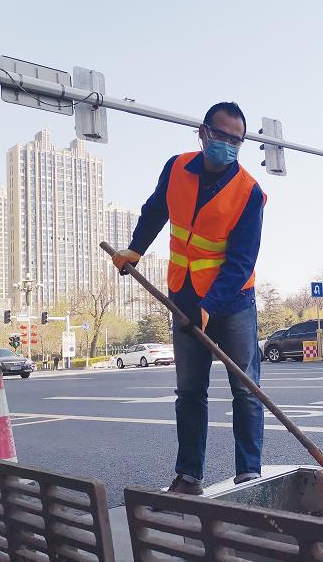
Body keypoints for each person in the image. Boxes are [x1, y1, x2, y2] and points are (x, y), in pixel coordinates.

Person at [112, 102, 266, 495]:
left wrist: (208, 309)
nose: (228, 144)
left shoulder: (250, 192)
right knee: (190, 391)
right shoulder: (177, 167)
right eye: (222, 135)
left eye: (237, 140)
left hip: (232, 303)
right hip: (182, 295)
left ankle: (248, 474)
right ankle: (188, 477)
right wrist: (135, 249)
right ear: (203, 132)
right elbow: (154, 211)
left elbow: (240, 261)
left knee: (245, 390)